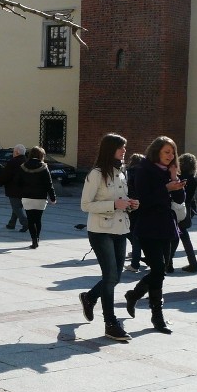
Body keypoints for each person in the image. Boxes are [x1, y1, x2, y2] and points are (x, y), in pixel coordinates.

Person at [78, 134, 139, 341]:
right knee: (111, 276)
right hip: (100, 230)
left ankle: (89, 297)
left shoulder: (122, 173)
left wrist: (129, 204)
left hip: (120, 230)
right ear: (109, 149)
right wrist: (114, 205)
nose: (124, 151)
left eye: (125, 147)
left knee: (115, 277)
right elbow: (85, 205)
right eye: (121, 148)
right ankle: (111, 323)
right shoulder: (96, 174)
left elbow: (120, 200)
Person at [124, 136, 185, 334]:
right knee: (158, 269)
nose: (170, 155)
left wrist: (175, 178)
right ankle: (157, 317)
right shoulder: (144, 169)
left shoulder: (170, 171)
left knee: (162, 270)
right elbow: (143, 199)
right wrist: (166, 187)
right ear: (156, 151)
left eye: (173, 152)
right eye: (166, 152)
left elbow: (179, 198)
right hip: (148, 226)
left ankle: (134, 295)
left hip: (166, 226)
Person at [16, 146, 57, 249]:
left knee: (30, 220)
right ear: (41, 155)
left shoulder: (23, 166)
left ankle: (33, 240)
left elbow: (18, 182)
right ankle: (37, 238)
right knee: (38, 219)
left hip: (27, 197)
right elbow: (49, 184)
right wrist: (53, 197)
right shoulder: (44, 167)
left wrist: (21, 192)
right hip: (40, 198)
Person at [172, 153, 197, 273]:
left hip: (178, 208)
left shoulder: (181, 178)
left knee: (174, 236)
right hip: (187, 208)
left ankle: (168, 263)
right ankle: (193, 263)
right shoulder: (194, 177)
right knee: (183, 236)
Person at [0, 144, 28, 232]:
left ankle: (26, 223)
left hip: (14, 188)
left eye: (13, 151)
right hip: (26, 188)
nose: (13, 153)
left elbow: (6, 175)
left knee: (16, 207)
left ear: (17, 152)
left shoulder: (13, 162)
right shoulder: (27, 161)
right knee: (17, 207)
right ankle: (11, 224)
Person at [125, 153, 145, 273]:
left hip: (132, 204)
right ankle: (136, 253)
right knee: (137, 233)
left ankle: (135, 263)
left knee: (131, 232)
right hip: (143, 205)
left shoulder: (129, 172)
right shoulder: (145, 174)